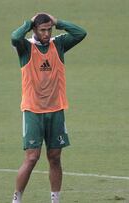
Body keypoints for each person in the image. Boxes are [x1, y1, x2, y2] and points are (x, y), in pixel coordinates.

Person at [11, 13, 86, 203]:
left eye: (48, 29)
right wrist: (28, 22)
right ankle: (16, 199)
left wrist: (58, 22)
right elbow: (14, 37)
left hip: (56, 110)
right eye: (42, 30)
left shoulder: (58, 44)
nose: (46, 33)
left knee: (55, 157)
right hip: (33, 111)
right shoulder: (26, 47)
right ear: (35, 30)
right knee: (32, 158)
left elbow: (80, 33)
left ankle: (55, 199)